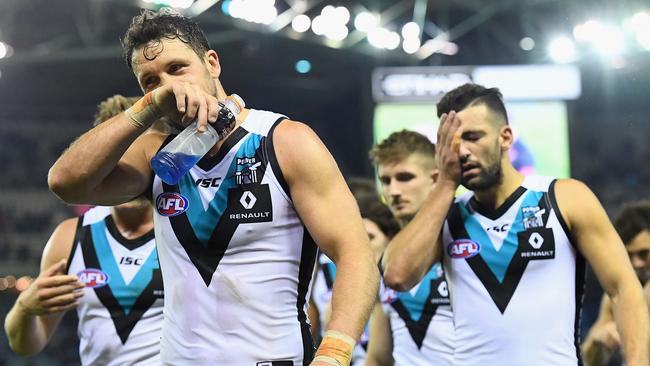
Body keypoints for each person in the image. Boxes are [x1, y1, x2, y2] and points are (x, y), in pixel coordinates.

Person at [47, 9, 379, 366]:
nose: (169, 86)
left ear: (212, 63)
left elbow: (356, 255)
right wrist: (147, 107)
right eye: (150, 81)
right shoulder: (155, 153)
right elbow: (66, 183)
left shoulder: (285, 141)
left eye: (177, 68)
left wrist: (334, 353)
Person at [381, 83, 649, 366]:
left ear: (506, 137)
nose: (462, 152)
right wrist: (446, 185)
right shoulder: (446, 215)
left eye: (473, 137)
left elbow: (623, 289)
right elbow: (397, 275)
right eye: (453, 143)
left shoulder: (564, 197)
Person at [4, 95, 164, 365]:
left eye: (139, 156)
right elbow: (27, 345)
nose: (130, 171)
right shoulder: (70, 236)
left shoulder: (188, 227)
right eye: (119, 157)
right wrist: (23, 309)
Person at [365, 130, 454, 366]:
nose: (393, 191)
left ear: (435, 179)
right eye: (385, 180)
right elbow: (378, 356)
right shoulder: (387, 255)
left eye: (405, 178)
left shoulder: (463, 239)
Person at [309, 193, 400, 365]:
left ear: (390, 238)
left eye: (370, 237)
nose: (363, 246)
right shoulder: (323, 272)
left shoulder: (400, 281)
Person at [582, 200, 650, 366]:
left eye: (644, 253)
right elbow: (591, 362)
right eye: (629, 255)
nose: (637, 264)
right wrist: (597, 343)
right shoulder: (619, 296)